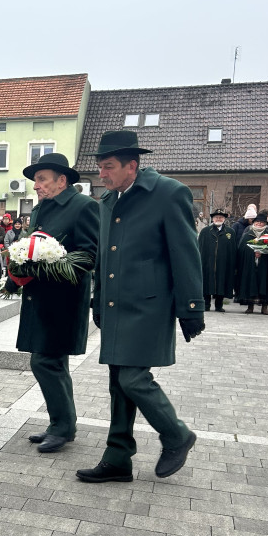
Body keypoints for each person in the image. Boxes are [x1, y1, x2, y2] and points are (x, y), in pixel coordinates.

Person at [79, 130, 203, 484]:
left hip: (149, 305)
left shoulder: (168, 193)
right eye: (100, 167)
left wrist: (191, 307)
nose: (102, 175)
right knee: (118, 383)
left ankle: (176, 434)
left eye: (109, 167)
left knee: (134, 378)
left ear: (132, 165)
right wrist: (98, 299)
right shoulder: (108, 201)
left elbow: (185, 253)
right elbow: (104, 256)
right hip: (116, 306)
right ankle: (117, 458)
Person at [8, 153, 98, 454]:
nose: (36, 185)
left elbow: (88, 255)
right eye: (35, 180)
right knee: (53, 363)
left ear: (62, 180)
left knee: (45, 361)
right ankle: (62, 424)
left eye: (41, 179)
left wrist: (49, 266)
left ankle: (62, 426)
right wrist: (17, 270)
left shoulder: (84, 207)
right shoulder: (41, 209)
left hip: (64, 300)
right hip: (40, 297)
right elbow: (33, 248)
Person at [234, 211, 268, 315]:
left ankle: (265, 306)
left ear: (265, 223)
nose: (259, 223)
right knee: (250, 283)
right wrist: (252, 253)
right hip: (250, 265)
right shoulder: (247, 234)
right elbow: (242, 250)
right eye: (257, 221)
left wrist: (263, 252)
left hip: (265, 265)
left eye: (261, 222)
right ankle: (250, 306)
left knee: (265, 282)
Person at [198, 208, 236, 312]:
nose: (218, 219)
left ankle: (219, 305)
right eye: (216, 217)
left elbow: (233, 250)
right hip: (208, 263)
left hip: (223, 263)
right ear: (212, 219)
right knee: (207, 283)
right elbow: (200, 248)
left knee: (221, 283)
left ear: (224, 219)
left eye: (221, 217)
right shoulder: (205, 232)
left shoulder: (230, 232)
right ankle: (206, 304)